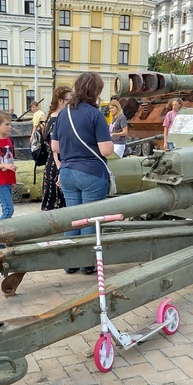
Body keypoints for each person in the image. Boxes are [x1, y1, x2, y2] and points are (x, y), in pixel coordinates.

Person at [51, 72, 113, 275]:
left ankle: (70, 262)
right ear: (95, 91)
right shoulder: (96, 115)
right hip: (91, 173)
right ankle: (88, 264)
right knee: (90, 219)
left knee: (74, 218)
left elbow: (55, 146)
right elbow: (106, 150)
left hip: (67, 173)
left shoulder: (63, 113)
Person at [41, 85, 72, 211]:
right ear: (60, 101)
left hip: (55, 164)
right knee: (58, 206)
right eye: (69, 100)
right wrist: (61, 171)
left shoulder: (54, 118)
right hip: (57, 165)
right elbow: (55, 149)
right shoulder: (56, 120)